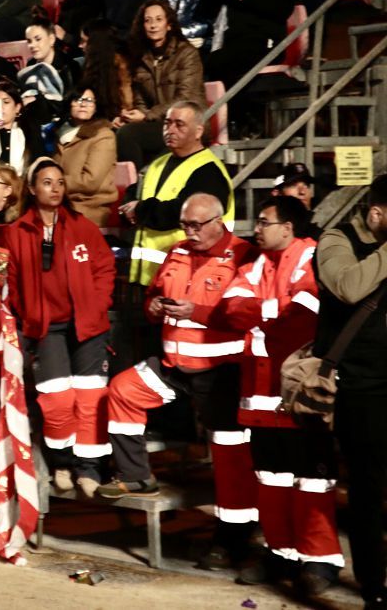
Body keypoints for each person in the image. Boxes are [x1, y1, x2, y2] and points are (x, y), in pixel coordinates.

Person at [99, 193, 260, 570]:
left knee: (230, 456)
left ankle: (233, 539)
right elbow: (155, 294)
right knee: (123, 389)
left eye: (196, 225)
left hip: (222, 370)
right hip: (174, 365)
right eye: (185, 225)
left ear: (219, 221)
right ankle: (136, 476)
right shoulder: (176, 251)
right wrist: (153, 306)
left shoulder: (245, 255)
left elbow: (245, 313)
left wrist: (198, 312)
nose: (189, 232)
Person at [212, 196, 342, 597]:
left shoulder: (313, 259)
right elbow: (231, 309)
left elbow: (303, 318)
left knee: (313, 480)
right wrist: (271, 312)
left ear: (288, 227)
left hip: (298, 392)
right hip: (259, 395)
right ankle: (280, 552)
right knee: (271, 478)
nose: (258, 228)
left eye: (265, 222)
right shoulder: (254, 264)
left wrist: (259, 317)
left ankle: (319, 560)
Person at [5, 156, 116, 497]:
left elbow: (104, 268)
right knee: (56, 400)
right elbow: (10, 280)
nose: (55, 189)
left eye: (59, 182)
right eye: (47, 182)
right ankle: (63, 463)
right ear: (32, 188)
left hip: (87, 326)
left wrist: (96, 305)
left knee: (90, 398)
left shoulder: (82, 225)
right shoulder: (17, 231)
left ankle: (89, 468)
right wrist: (28, 314)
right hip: (46, 328)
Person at [316, 175, 387, 608]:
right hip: (362, 384)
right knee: (367, 488)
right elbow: (347, 286)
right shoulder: (335, 240)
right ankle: (374, 587)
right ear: (377, 212)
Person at [120, 100, 233, 288]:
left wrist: (140, 210)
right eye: (167, 123)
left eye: (179, 124)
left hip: (188, 278)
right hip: (147, 279)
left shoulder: (209, 171)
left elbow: (182, 214)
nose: (170, 130)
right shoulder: (158, 163)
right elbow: (135, 191)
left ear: (198, 132)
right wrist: (129, 208)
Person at [116, 0, 206, 170]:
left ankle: (139, 186)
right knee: (123, 132)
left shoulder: (187, 54)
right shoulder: (141, 58)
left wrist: (147, 116)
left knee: (129, 135)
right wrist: (132, 116)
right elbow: (141, 101)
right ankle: (135, 185)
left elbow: (185, 98)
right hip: (159, 123)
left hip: (186, 123)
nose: (153, 25)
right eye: (148, 20)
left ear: (169, 24)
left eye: (158, 19)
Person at [54, 86, 117, 227]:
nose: (83, 104)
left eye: (89, 101)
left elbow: (90, 181)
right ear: (69, 103)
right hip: (60, 203)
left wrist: (53, 183)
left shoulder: (103, 135)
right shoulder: (58, 134)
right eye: (78, 99)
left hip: (90, 206)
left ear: (95, 107)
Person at [18, 14, 80, 119]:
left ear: (51, 39)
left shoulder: (70, 67)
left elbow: (70, 105)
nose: (32, 45)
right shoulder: (30, 65)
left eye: (38, 39)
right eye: (29, 41)